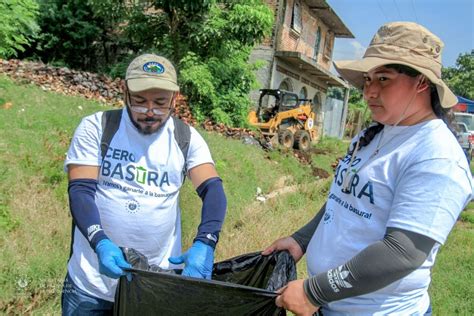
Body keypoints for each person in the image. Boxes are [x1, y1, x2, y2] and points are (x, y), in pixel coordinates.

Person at [262, 22, 472, 315]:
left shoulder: (436, 155)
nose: (370, 91)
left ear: (422, 83)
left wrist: (313, 291)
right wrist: (302, 240)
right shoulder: (373, 135)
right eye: (368, 79)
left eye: (384, 79)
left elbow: (403, 252)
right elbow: (342, 198)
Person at [61, 53, 227, 314]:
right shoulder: (97, 127)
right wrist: (100, 242)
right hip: (90, 285)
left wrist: (205, 242)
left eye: (160, 103)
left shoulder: (186, 138)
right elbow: (81, 191)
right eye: (139, 102)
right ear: (124, 91)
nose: (150, 112)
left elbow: (213, 190)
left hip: (152, 287)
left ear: (176, 98)